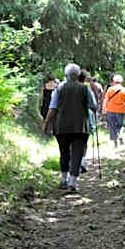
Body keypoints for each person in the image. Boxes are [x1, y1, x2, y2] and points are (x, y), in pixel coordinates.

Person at [43, 63, 92, 192]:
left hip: (61, 126)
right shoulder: (84, 88)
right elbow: (93, 105)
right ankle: (72, 182)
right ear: (78, 75)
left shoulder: (59, 88)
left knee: (64, 152)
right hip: (80, 126)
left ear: (66, 75)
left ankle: (64, 179)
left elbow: (53, 108)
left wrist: (46, 123)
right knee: (77, 153)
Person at [102, 73, 125, 147]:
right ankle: (120, 135)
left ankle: (115, 143)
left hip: (110, 110)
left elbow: (106, 100)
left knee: (112, 126)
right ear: (121, 81)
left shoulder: (110, 89)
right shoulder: (124, 90)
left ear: (114, 81)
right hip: (121, 111)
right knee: (120, 125)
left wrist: (104, 109)